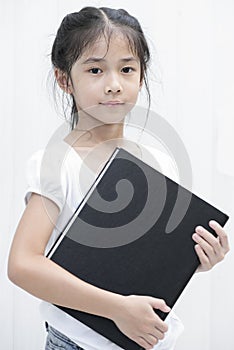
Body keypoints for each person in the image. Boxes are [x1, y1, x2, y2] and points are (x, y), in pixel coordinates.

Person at [7, 6, 230, 350]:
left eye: (127, 69)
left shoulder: (157, 164)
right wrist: (117, 309)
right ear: (64, 79)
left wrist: (196, 260)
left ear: (140, 77)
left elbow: (142, 262)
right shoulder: (57, 163)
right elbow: (23, 265)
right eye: (95, 69)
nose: (113, 84)